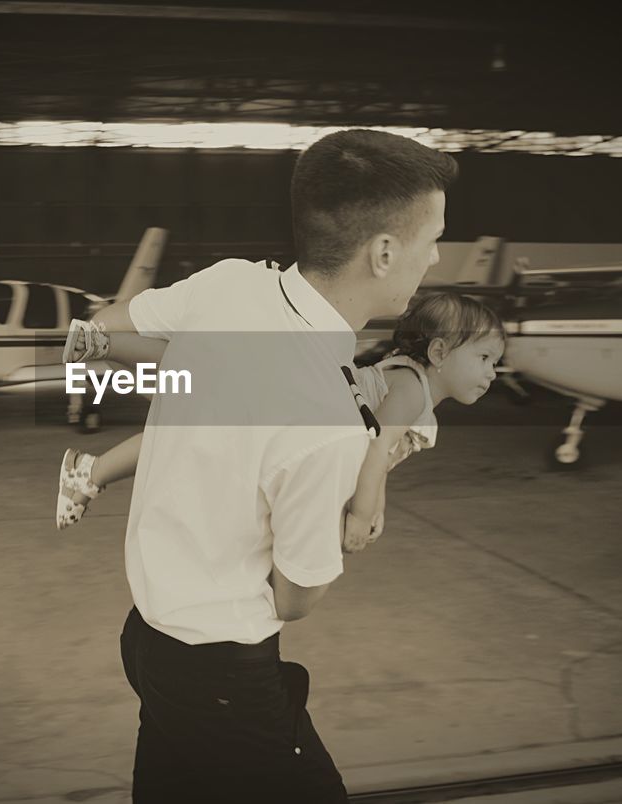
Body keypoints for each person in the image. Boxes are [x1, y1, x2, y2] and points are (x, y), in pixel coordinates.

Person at [78, 128, 458, 803]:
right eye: (433, 238)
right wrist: (356, 526)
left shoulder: (226, 286)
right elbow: (294, 598)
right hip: (222, 677)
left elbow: (106, 325)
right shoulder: (327, 419)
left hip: (148, 640)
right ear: (384, 251)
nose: (436, 256)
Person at [56, 291, 507, 556]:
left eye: (496, 362)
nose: (492, 372)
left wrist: (374, 503)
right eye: (484, 359)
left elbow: (377, 454)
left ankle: (92, 454)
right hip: (295, 400)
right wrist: (363, 511)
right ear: (440, 353)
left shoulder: (415, 394)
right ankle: (103, 353)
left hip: (295, 410)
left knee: (199, 404)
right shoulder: (411, 388)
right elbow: (374, 450)